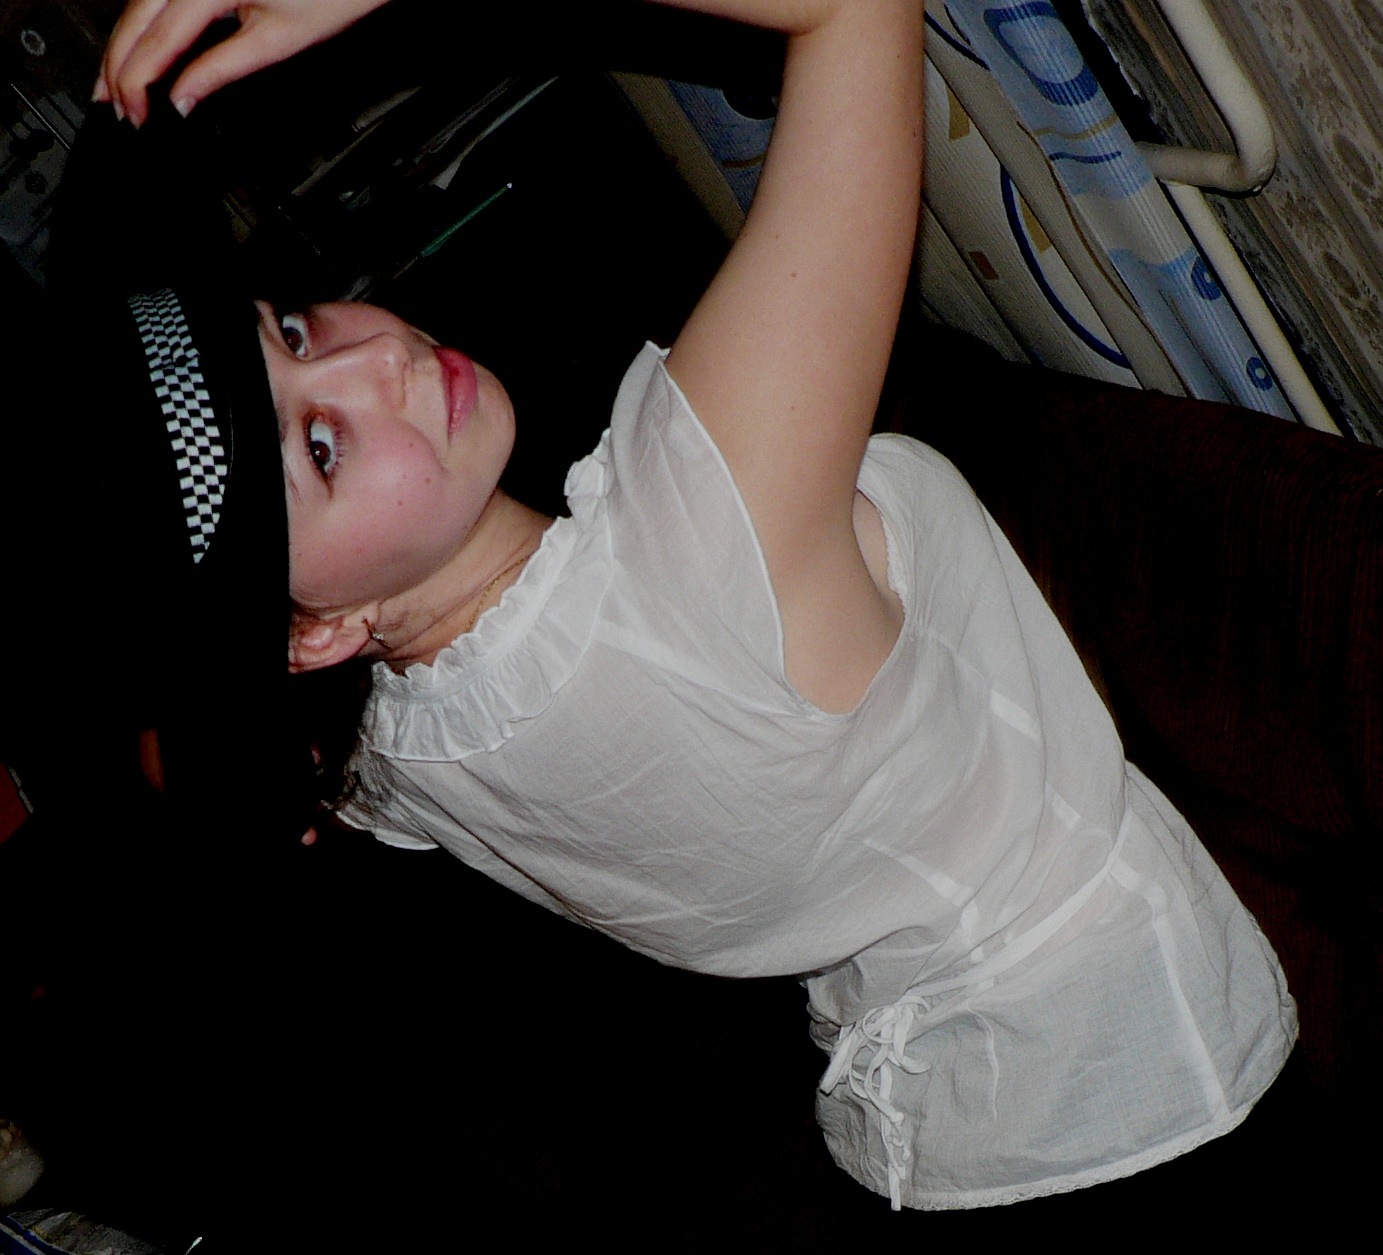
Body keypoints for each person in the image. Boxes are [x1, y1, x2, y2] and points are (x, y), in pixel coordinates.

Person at [88, 0, 1295, 1216]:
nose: (375, 361)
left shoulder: (403, 748)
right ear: (316, 630)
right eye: (321, 446)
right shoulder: (698, 529)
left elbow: (246, 770)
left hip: (951, 1143)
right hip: (1154, 1053)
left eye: (292, 331)